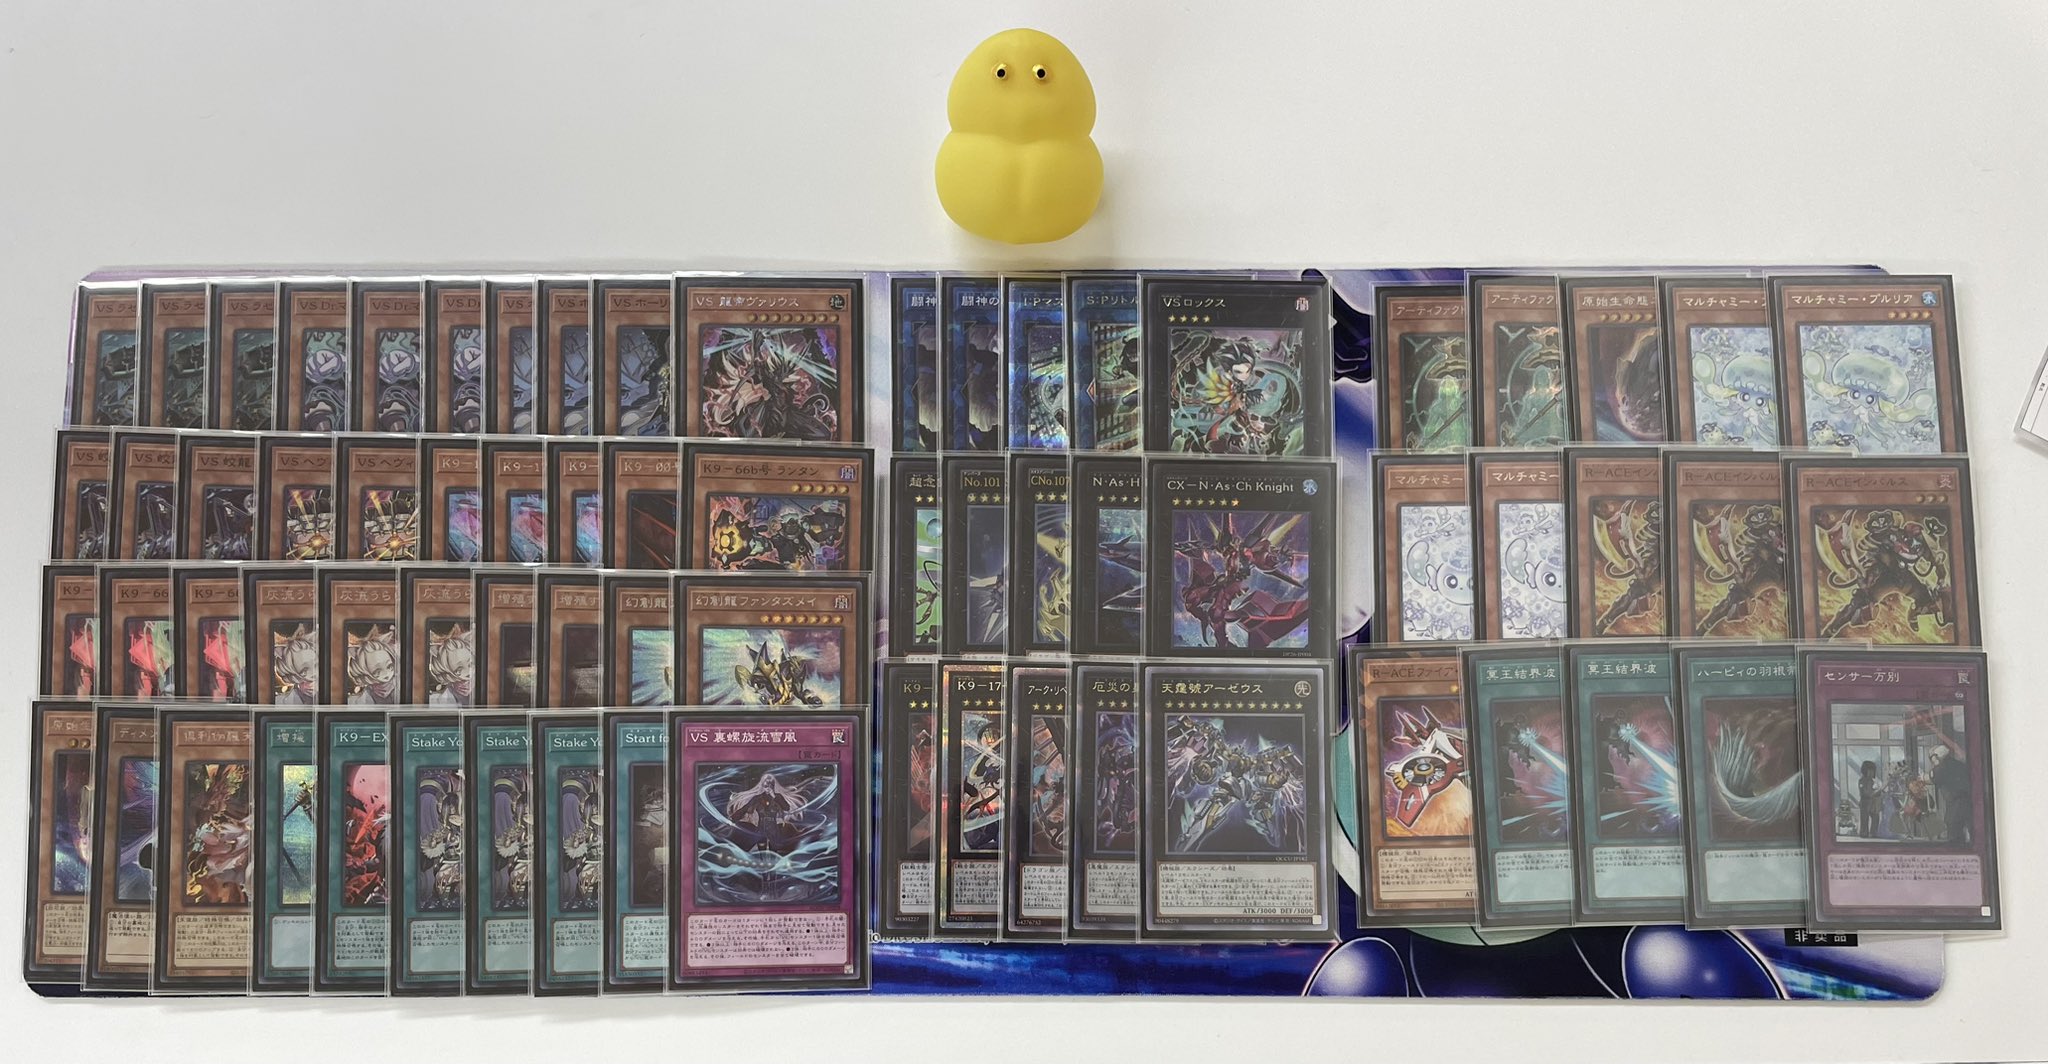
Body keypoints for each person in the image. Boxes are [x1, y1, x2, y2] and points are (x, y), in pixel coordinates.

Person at [1929, 747, 1970, 845]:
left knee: (1953, 829)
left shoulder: (1943, 767)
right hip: (1965, 801)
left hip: (1955, 802)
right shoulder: (1958, 764)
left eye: (1934, 758)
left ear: (1939, 757)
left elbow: (1935, 778)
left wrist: (1935, 765)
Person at [1857, 760, 1879, 838]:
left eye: (1873, 771)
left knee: (1876, 816)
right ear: (1865, 771)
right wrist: (1873, 793)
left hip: (1872, 802)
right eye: (1870, 771)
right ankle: (1864, 832)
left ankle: (1873, 832)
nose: (1871, 773)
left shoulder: (1872, 781)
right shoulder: (1861, 781)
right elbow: (1864, 792)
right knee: (1864, 818)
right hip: (1864, 802)